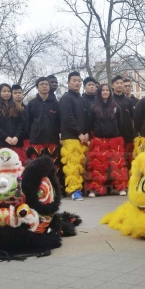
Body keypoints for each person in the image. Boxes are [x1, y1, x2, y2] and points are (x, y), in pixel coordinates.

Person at [86, 84, 128, 197]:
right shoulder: (94, 107)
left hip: (114, 139)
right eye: (103, 90)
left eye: (107, 90)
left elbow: (120, 124)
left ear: (110, 92)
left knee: (117, 165)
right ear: (99, 92)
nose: (105, 92)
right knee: (98, 165)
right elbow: (90, 124)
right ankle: (94, 188)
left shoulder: (116, 107)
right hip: (99, 139)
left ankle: (120, 188)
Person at [60, 72, 89, 201]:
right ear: (68, 83)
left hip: (82, 137)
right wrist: (79, 133)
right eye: (74, 80)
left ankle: (81, 188)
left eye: (79, 80)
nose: (77, 83)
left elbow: (86, 118)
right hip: (71, 137)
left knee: (81, 164)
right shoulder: (66, 98)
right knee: (72, 164)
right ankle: (74, 190)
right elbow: (68, 118)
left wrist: (86, 132)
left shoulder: (81, 99)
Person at [25, 77, 61, 180]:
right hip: (37, 141)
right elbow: (28, 123)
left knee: (54, 166)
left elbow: (59, 121)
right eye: (42, 84)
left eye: (46, 84)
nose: (45, 86)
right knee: (36, 166)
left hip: (52, 140)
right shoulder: (31, 104)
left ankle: (55, 189)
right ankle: (38, 188)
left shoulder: (55, 103)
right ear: (37, 87)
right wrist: (35, 132)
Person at [0, 83, 26, 163]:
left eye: (9, 91)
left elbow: (22, 123)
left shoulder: (18, 108)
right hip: (0, 144)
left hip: (16, 144)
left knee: (17, 170)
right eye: (4, 91)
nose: (7, 93)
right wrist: (5, 137)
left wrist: (16, 136)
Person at [111, 75, 135, 169]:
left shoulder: (128, 101)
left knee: (130, 163)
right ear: (112, 86)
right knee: (118, 164)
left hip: (129, 136)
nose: (120, 85)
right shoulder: (110, 101)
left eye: (121, 83)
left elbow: (133, 118)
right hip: (115, 137)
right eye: (117, 83)